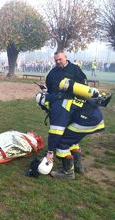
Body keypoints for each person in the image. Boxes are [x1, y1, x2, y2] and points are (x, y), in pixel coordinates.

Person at [37, 51, 107, 179]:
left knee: (62, 142)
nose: (58, 61)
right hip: (91, 114)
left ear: (65, 58)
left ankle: (68, 173)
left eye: (60, 59)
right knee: (71, 137)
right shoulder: (53, 76)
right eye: (56, 60)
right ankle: (78, 166)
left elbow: (55, 132)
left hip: (87, 118)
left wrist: (50, 152)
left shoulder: (59, 105)